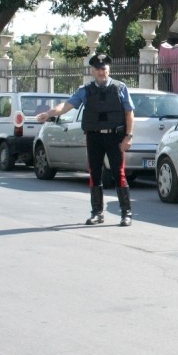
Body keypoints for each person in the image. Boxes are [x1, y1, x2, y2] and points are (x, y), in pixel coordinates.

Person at [35, 53, 136, 226]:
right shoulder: (85, 90)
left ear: (108, 69)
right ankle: (97, 213)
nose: (101, 72)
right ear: (92, 71)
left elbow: (129, 113)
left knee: (118, 173)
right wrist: (49, 114)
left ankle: (126, 213)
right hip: (94, 136)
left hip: (115, 136)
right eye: (97, 69)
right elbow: (67, 105)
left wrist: (128, 137)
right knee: (94, 173)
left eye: (103, 68)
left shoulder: (120, 88)